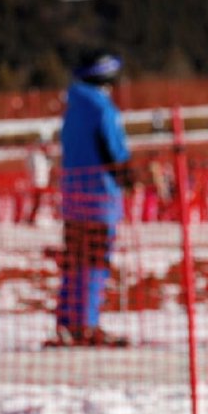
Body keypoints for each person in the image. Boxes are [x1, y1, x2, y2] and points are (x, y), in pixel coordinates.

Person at [54, 50, 133, 347]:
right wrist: (127, 177)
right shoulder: (103, 108)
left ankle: (67, 321)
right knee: (94, 263)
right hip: (100, 199)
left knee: (74, 262)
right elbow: (113, 150)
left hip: (73, 197)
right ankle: (87, 324)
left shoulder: (73, 107)